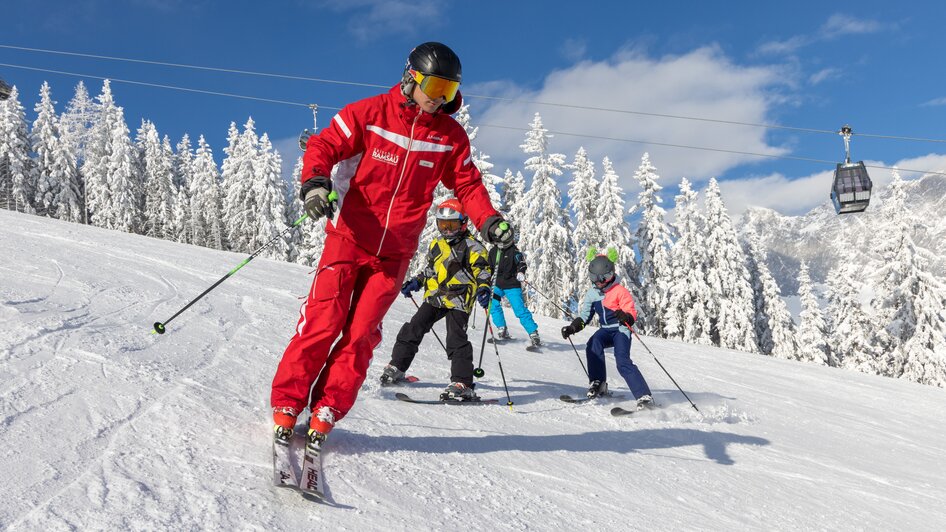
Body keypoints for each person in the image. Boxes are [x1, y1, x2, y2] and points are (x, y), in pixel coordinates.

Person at [270, 42, 515, 448]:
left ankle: (328, 406)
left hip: (394, 253)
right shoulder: (368, 114)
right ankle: (288, 402)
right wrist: (315, 182)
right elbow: (323, 145)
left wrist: (489, 221)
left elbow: (468, 184)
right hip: (348, 239)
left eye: (450, 91)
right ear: (411, 78)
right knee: (322, 322)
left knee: (362, 333)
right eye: (435, 85)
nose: (441, 98)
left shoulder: (449, 137)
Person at [380, 199, 492, 400]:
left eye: (452, 225)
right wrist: (417, 281)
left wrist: (484, 287)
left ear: (463, 223)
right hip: (435, 297)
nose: (447, 230)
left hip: (459, 299)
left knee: (456, 339)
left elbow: (482, 269)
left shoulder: (472, 246)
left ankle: (462, 382)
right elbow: (431, 270)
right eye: (443, 225)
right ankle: (397, 366)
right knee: (413, 328)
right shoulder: (437, 244)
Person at [560, 248, 653, 407]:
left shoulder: (620, 291)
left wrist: (626, 318)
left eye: (603, 278)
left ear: (610, 275)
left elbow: (631, 311)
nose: (598, 282)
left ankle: (644, 396)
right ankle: (598, 383)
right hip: (605, 330)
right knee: (593, 344)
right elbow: (585, 317)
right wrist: (572, 328)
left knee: (622, 361)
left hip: (620, 330)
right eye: (594, 278)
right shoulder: (592, 294)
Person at [487, 243, 541, 347]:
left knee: (519, 309)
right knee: (492, 303)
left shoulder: (513, 251)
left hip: (512, 285)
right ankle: (502, 329)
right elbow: (489, 268)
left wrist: (521, 272)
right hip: (497, 285)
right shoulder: (493, 251)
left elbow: (521, 263)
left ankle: (533, 333)